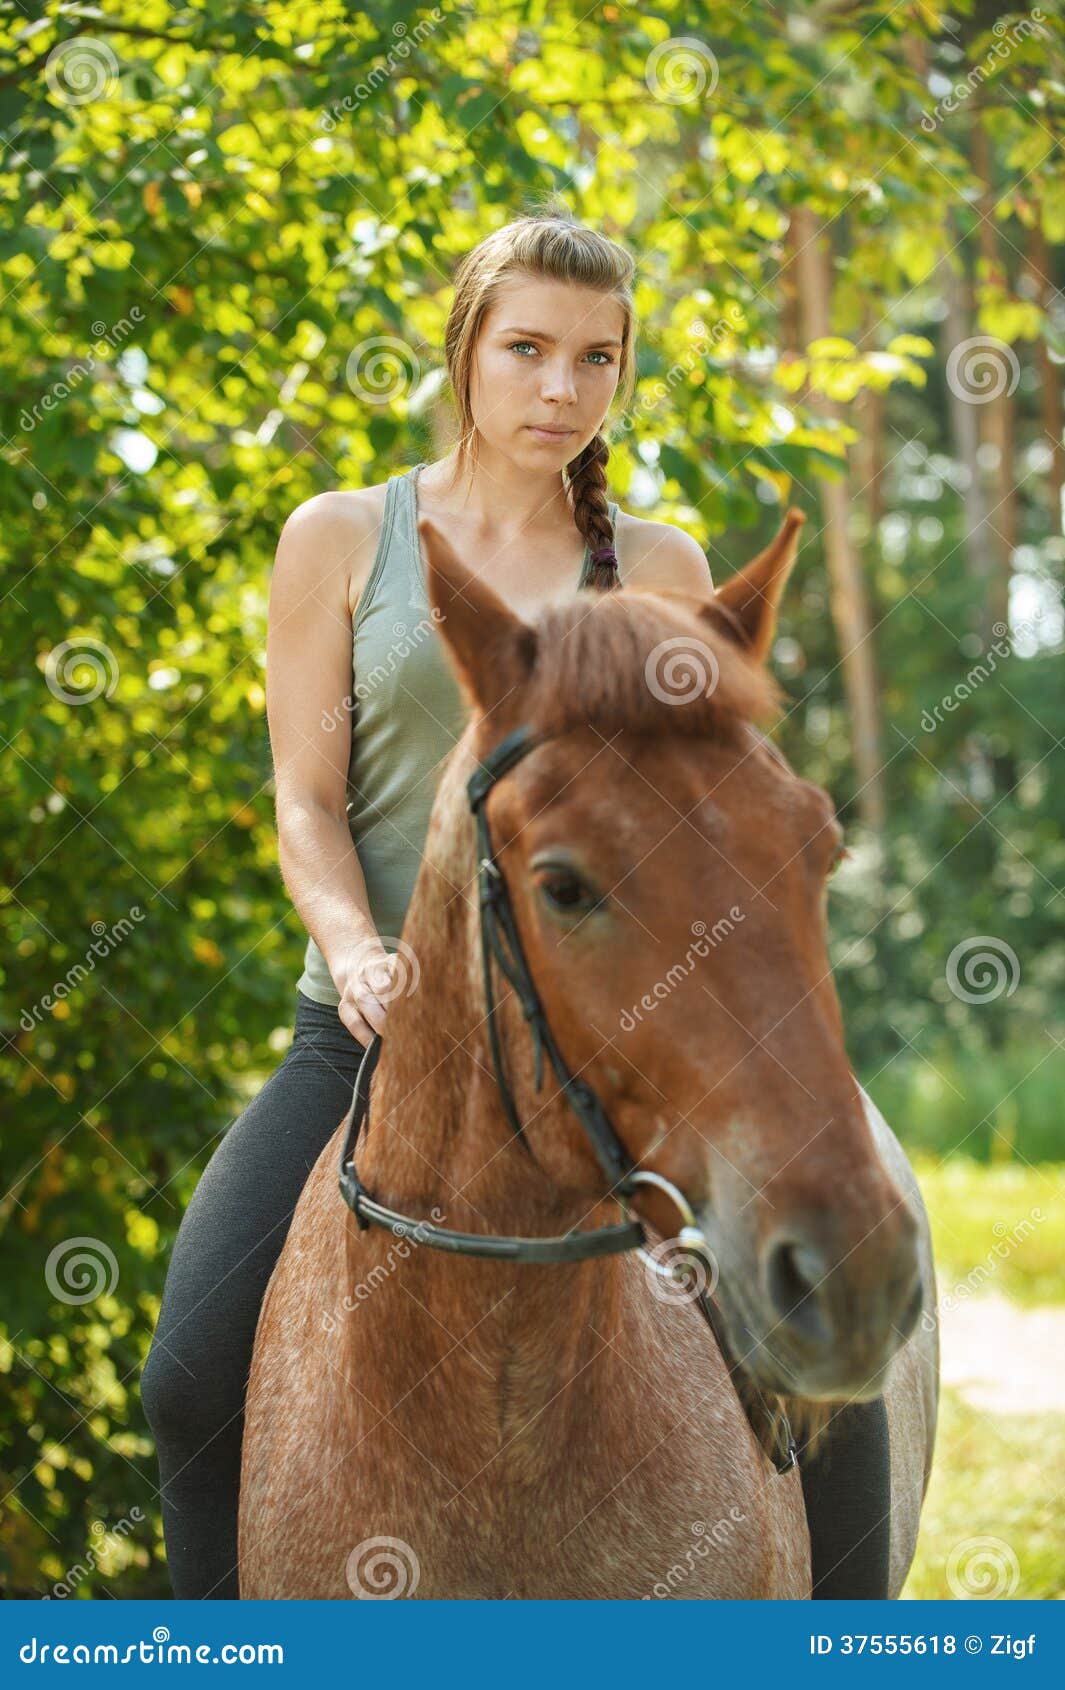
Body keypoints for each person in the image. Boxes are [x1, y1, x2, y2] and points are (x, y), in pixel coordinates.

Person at [140, 202, 891, 1600]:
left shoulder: (656, 570)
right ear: (464, 353)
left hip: (613, 1039)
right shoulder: (340, 538)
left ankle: (844, 1641)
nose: (559, 389)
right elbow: (303, 798)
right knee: (190, 1369)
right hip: (369, 1031)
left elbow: (710, 831)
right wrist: (354, 950)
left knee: (820, 1375)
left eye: (594, 359)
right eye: (527, 349)